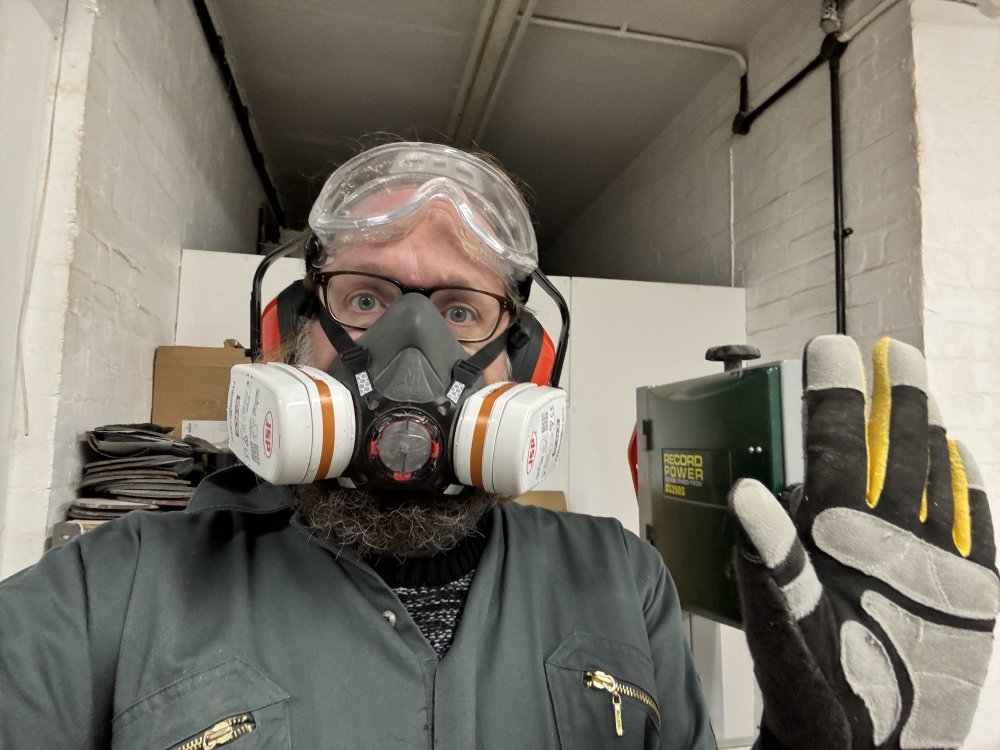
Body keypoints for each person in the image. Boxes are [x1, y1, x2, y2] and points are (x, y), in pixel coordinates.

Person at [0, 142, 995, 750]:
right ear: (289, 334)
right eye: (364, 299)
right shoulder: (102, 594)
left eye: (463, 312)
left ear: (522, 361)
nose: (411, 352)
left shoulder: (620, 577)